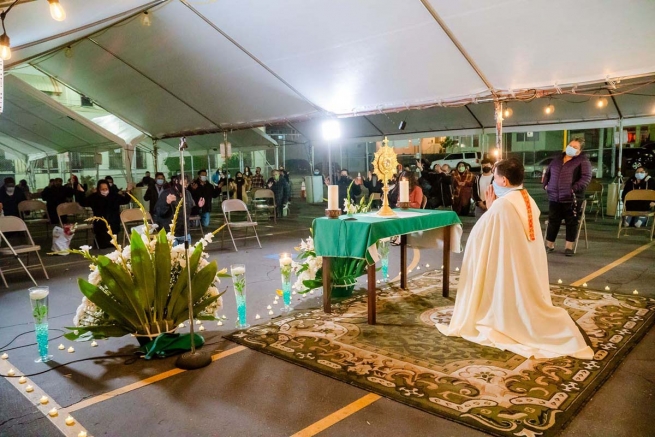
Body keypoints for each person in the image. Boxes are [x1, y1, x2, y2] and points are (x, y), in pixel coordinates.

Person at [437, 158, 593, 360]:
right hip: (523, 265)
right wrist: (493, 207)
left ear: (503, 181)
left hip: (508, 270)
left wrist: (492, 207)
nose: (492, 181)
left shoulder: (504, 205)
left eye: (495, 177)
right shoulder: (525, 198)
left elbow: (479, 236)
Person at [543, 138, 592, 256]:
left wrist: (573, 188)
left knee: (571, 221)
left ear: (580, 151)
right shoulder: (556, 160)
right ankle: (549, 244)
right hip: (554, 196)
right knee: (553, 221)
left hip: (572, 197)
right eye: (570, 145)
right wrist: (545, 185)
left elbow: (586, 178)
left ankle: (569, 247)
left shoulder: (582, 161)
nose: (571, 148)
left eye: (575, 147)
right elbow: (547, 173)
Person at [154, 174, 203, 245]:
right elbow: (158, 212)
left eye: (187, 184)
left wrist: (198, 206)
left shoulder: (188, 194)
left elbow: (190, 211)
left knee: (187, 255)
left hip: (185, 232)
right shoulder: (167, 193)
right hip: (171, 233)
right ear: (176, 181)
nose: (185, 186)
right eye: (183, 183)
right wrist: (167, 203)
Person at [85, 180, 131, 249]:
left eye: (106, 189)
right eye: (102, 189)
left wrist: (128, 192)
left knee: (113, 244)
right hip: (100, 225)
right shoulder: (94, 197)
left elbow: (125, 200)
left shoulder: (114, 196)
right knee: (102, 245)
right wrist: (81, 191)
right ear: (99, 189)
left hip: (113, 224)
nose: (105, 191)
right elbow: (83, 202)